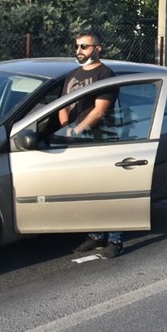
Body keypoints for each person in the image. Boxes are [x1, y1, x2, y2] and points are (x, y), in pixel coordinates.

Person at [64, 31, 124, 259]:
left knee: (108, 191)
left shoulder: (105, 74)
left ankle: (115, 239)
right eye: (77, 46)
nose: (79, 51)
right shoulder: (72, 74)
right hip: (78, 140)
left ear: (98, 48)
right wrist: (65, 129)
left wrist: (77, 130)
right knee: (88, 192)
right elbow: (63, 105)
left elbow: (100, 110)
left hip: (102, 140)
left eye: (84, 47)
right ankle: (96, 234)